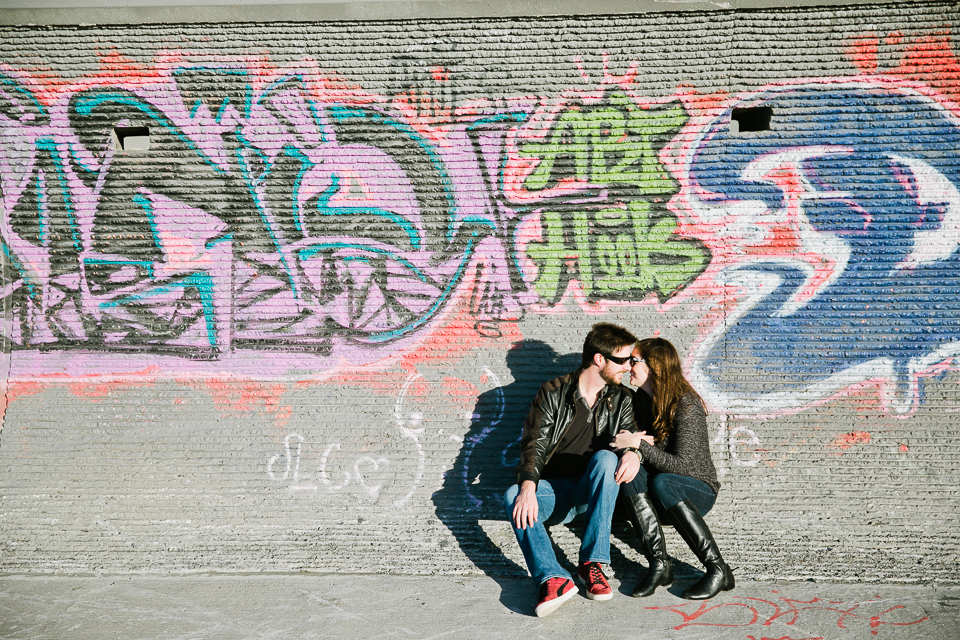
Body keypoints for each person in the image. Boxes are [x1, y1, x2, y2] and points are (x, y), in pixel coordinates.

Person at [504, 322, 641, 617]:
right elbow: (534, 444)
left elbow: (631, 437)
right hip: (553, 493)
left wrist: (634, 454)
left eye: (631, 360)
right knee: (513, 494)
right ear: (599, 359)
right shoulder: (553, 392)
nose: (628, 367)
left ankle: (592, 565)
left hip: (589, 494)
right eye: (622, 360)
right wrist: (528, 488)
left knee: (606, 459)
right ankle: (552, 577)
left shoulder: (622, 399)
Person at [613, 337, 735, 600]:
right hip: (660, 494)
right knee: (632, 475)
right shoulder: (640, 402)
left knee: (663, 482)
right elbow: (631, 441)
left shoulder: (686, 404)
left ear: (653, 366)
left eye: (634, 360)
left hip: (695, 490)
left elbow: (683, 466)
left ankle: (718, 568)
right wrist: (633, 451)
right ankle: (659, 564)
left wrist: (639, 446)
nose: (628, 366)